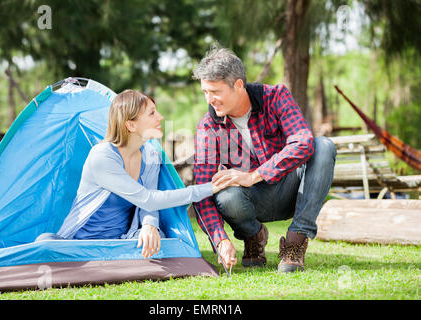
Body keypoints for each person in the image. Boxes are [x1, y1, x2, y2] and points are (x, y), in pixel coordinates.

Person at [36, 89, 234, 259]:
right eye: (151, 114)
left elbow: (148, 202)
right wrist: (209, 188)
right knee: (44, 244)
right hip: (82, 245)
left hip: (122, 242)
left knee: (158, 239)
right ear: (131, 125)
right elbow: (148, 199)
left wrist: (149, 225)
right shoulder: (102, 156)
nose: (160, 118)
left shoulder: (150, 153)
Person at [192, 45, 337, 272]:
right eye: (205, 92)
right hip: (251, 201)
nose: (209, 99)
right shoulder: (208, 127)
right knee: (224, 193)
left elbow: (303, 141)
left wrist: (254, 175)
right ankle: (254, 237)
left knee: (323, 146)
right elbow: (202, 190)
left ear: (238, 85)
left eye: (215, 92)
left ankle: (295, 241)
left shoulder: (276, 97)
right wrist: (220, 240)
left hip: (292, 191)